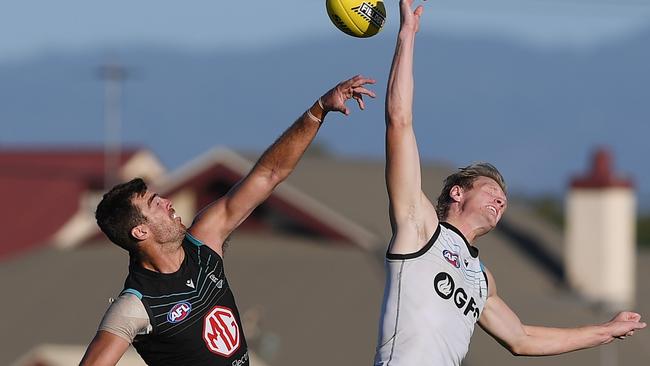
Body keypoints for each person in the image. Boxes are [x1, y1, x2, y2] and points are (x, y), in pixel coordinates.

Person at [373, 1, 646, 365]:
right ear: (457, 192)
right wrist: (407, 36)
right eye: (492, 191)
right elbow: (399, 121)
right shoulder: (420, 228)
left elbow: (521, 338)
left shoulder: (481, 278)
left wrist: (605, 331)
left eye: (504, 200)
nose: (501, 201)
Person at [79, 75, 376, 366]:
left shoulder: (204, 240)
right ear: (140, 230)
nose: (168, 202)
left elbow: (268, 175)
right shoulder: (135, 306)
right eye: (155, 204)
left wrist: (319, 109)